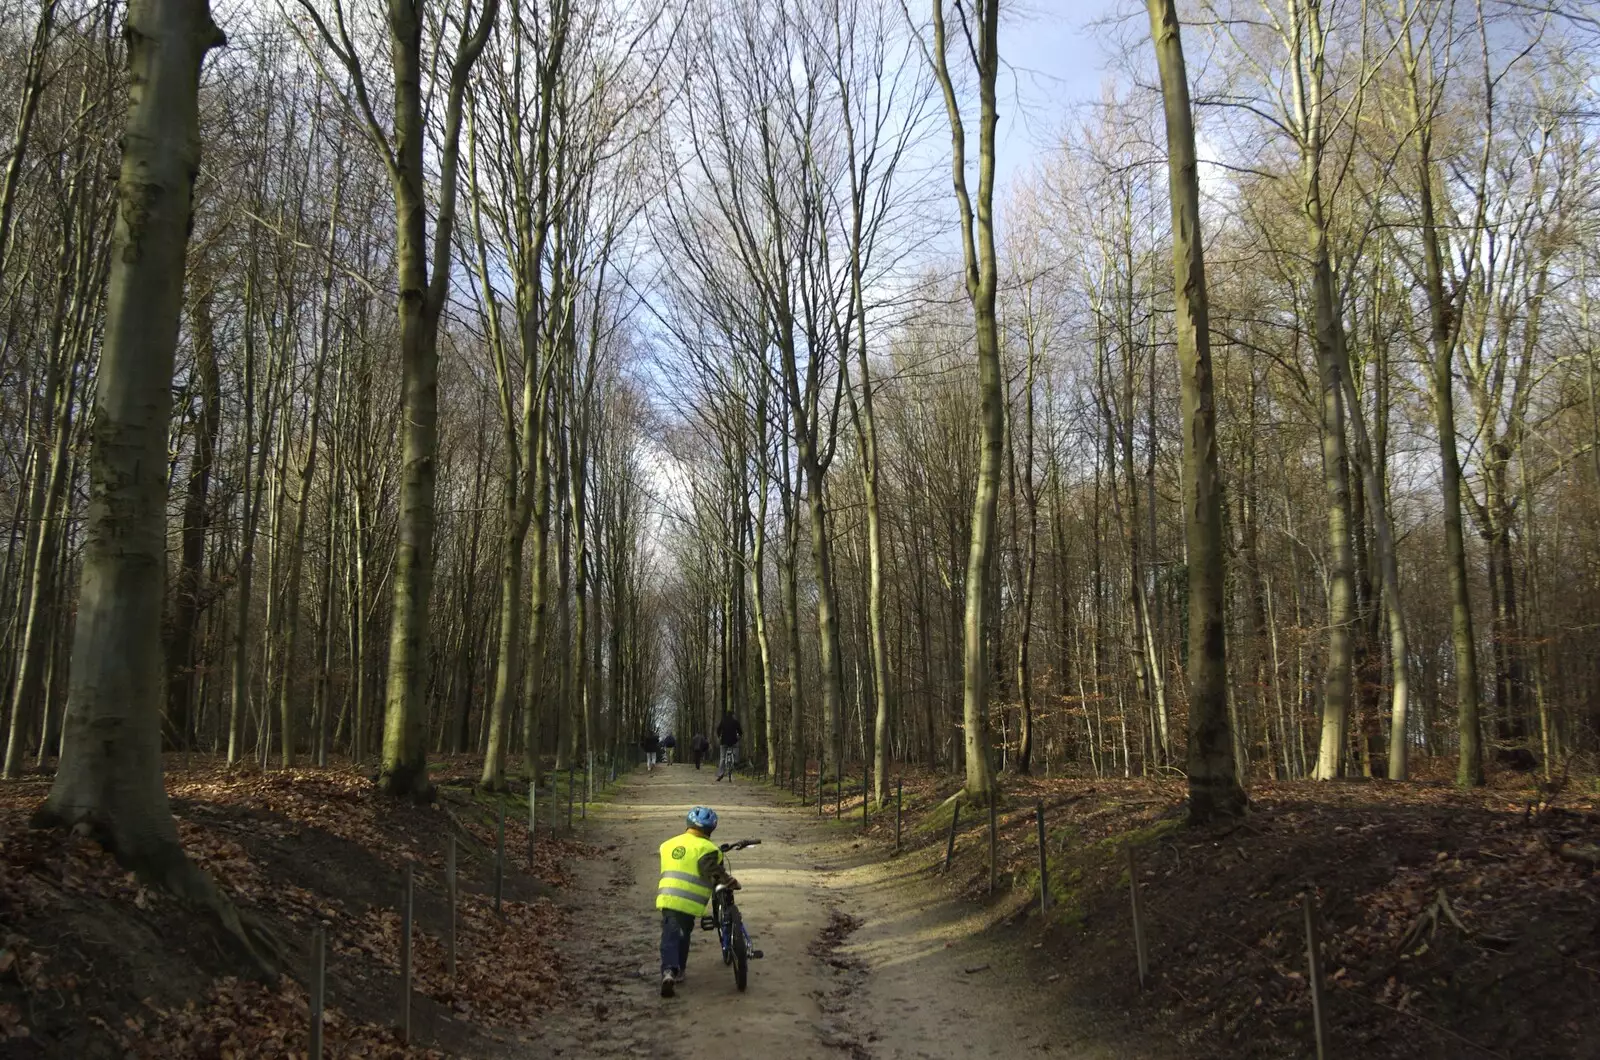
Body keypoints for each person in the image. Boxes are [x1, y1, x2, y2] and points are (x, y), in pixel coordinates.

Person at [656, 805, 737, 997]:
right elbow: (709, 869)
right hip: (690, 902)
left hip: (668, 897)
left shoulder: (667, 844)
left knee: (671, 934)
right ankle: (677, 970)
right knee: (682, 935)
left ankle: (670, 971)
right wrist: (729, 880)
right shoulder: (708, 848)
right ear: (710, 830)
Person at [715, 710, 742, 781]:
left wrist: (719, 736)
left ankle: (720, 773)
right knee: (736, 748)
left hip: (724, 741)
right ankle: (736, 761)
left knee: (722, 758)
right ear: (733, 715)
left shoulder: (723, 721)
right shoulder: (735, 722)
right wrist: (739, 737)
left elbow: (718, 729)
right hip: (733, 741)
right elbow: (740, 732)